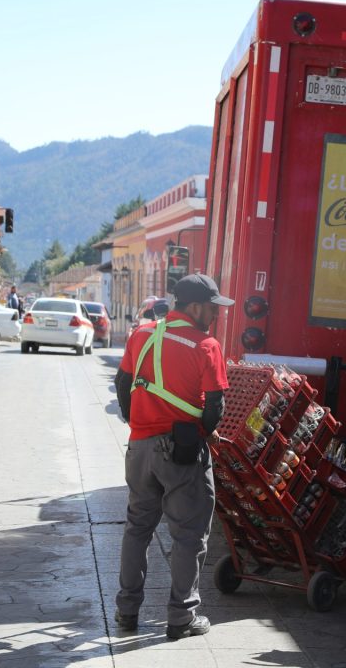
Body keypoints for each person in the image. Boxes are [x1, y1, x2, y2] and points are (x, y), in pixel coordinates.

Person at [113, 273, 233, 640]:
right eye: (212, 307)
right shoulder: (206, 346)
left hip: (139, 447)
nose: (215, 314)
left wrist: (139, 421)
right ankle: (182, 617)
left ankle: (126, 612)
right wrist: (202, 432)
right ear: (195, 306)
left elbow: (122, 384)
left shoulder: (142, 334)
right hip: (180, 451)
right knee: (189, 533)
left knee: (137, 530)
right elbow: (215, 407)